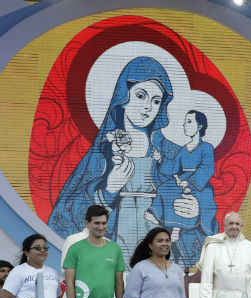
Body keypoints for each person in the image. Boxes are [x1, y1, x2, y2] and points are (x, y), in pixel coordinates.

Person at [49, 57, 180, 263]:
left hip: (155, 236)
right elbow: (66, 214)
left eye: (156, 100)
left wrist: (190, 209)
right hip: (117, 237)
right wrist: (108, 190)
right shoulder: (103, 150)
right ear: (123, 96)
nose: (148, 107)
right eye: (141, 95)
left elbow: (185, 194)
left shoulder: (169, 152)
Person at [147, 110, 218, 246]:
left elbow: (207, 168)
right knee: (164, 189)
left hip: (199, 185)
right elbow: (174, 166)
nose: (185, 125)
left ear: (199, 126)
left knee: (186, 198)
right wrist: (161, 158)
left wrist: (190, 183)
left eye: (189, 122)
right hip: (182, 180)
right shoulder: (184, 149)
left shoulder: (206, 147)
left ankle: (177, 228)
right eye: (185, 122)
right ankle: (158, 215)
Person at [0, 235, 65, 298]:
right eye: (37, 248)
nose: (42, 250)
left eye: (45, 247)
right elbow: (4, 297)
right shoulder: (19, 271)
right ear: (26, 252)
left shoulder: (52, 272)